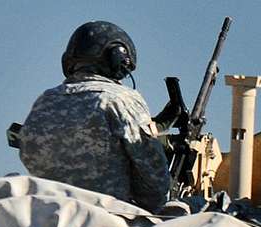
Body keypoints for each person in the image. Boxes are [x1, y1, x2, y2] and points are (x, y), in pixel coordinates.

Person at [17, 21, 172, 212]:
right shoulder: (120, 99)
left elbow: (30, 158)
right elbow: (155, 184)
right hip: (107, 224)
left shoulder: (44, 102)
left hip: (46, 220)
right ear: (118, 58)